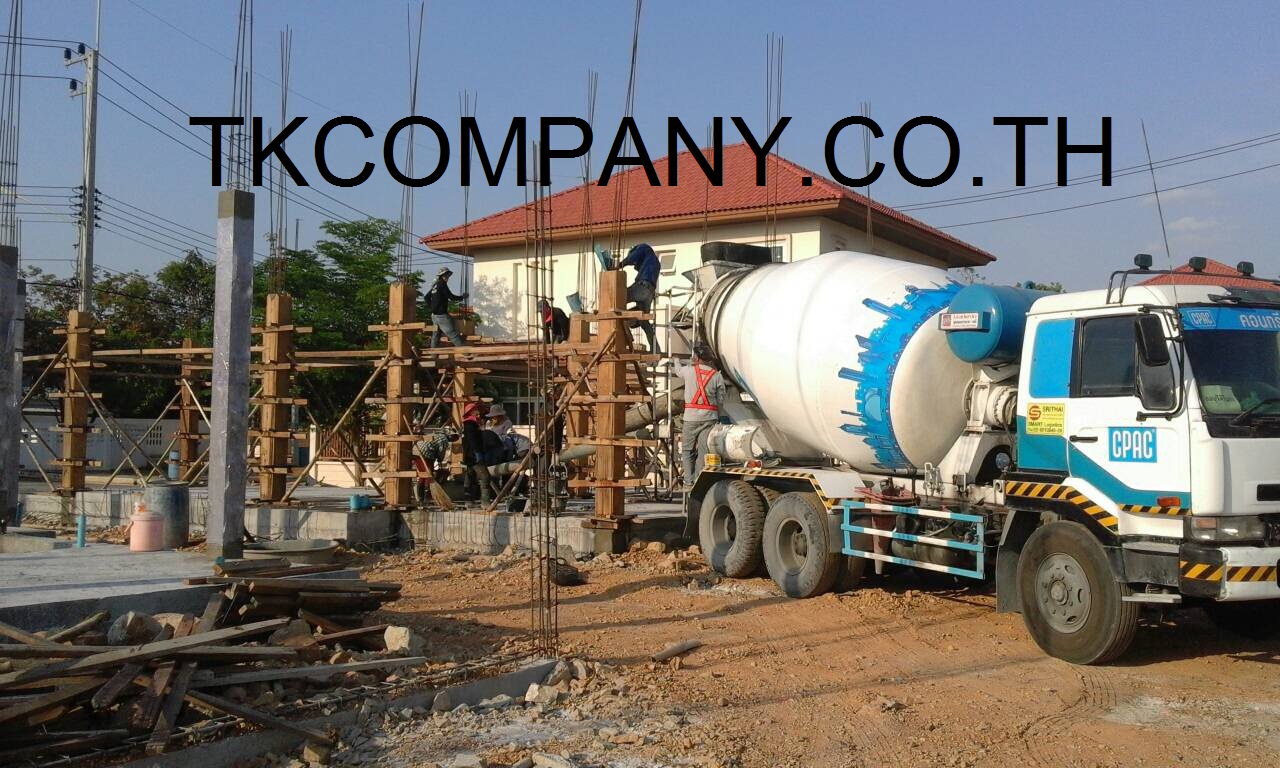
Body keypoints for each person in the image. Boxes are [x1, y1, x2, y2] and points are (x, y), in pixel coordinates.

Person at [676, 343, 726, 487]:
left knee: (687, 450)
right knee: (704, 450)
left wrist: (676, 360)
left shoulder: (688, 371)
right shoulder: (716, 376)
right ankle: (699, 480)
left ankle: (689, 481)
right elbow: (721, 399)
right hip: (710, 418)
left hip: (691, 418)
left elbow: (678, 371)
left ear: (697, 357)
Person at [619, 243, 661, 352]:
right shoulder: (653, 262)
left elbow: (632, 257)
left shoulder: (643, 248)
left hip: (642, 287)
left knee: (618, 297)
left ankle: (627, 337)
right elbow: (638, 266)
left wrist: (619, 265)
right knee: (644, 321)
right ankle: (656, 348)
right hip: (649, 292)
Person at [426, 267, 469, 348]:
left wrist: (432, 308)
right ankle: (465, 352)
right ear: (442, 275)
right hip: (441, 315)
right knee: (452, 334)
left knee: (436, 334)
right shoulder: (442, 284)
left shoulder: (435, 285)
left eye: (448, 275)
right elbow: (451, 297)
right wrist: (462, 297)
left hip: (434, 316)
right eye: (447, 275)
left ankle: (433, 354)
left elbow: (426, 297)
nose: (448, 277)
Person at [460, 402, 494, 504]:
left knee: (470, 476)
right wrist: (477, 452)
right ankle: (485, 502)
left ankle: (469, 500)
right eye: (475, 410)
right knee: (485, 477)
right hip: (473, 455)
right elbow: (472, 440)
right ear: (471, 412)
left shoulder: (471, 424)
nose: (478, 411)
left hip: (469, 455)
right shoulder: (470, 424)